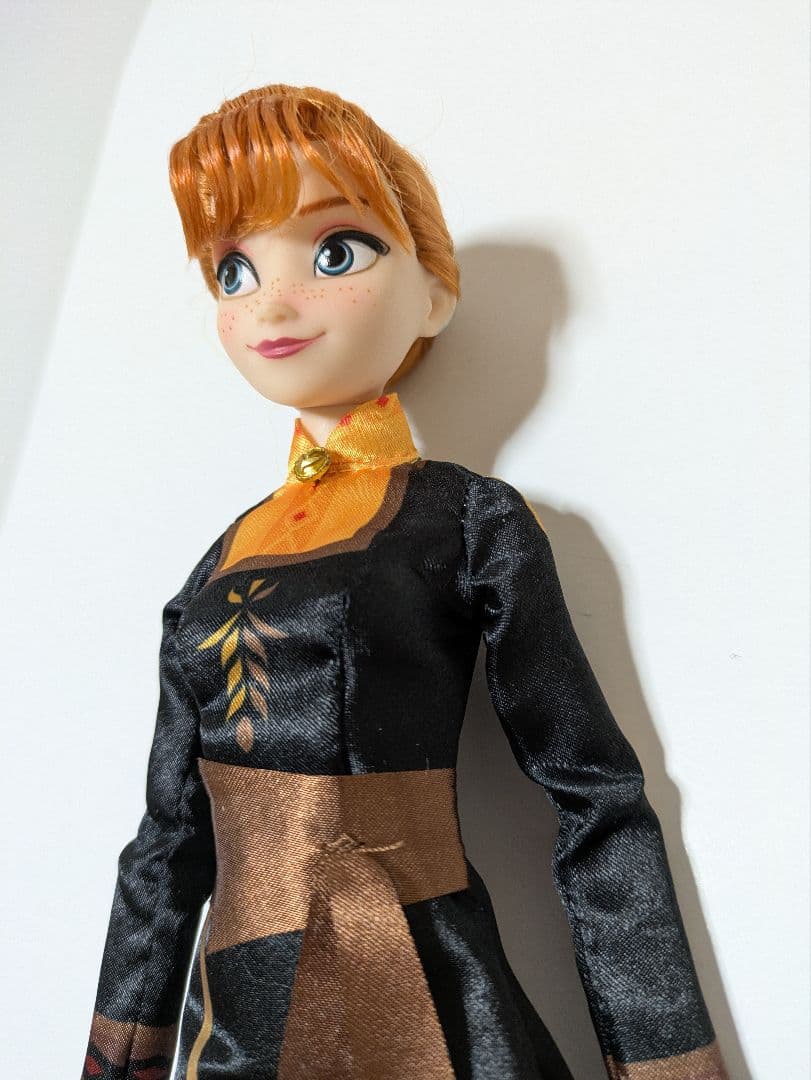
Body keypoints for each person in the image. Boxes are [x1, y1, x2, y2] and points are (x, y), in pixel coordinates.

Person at [81, 84, 729, 1080]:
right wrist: (119, 1053)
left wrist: (663, 1055)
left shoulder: (464, 519)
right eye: (234, 271)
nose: (273, 305)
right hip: (238, 1017)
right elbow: (169, 842)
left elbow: (593, 794)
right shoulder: (218, 561)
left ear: (432, 291)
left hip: (418, 983)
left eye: (336, 251)